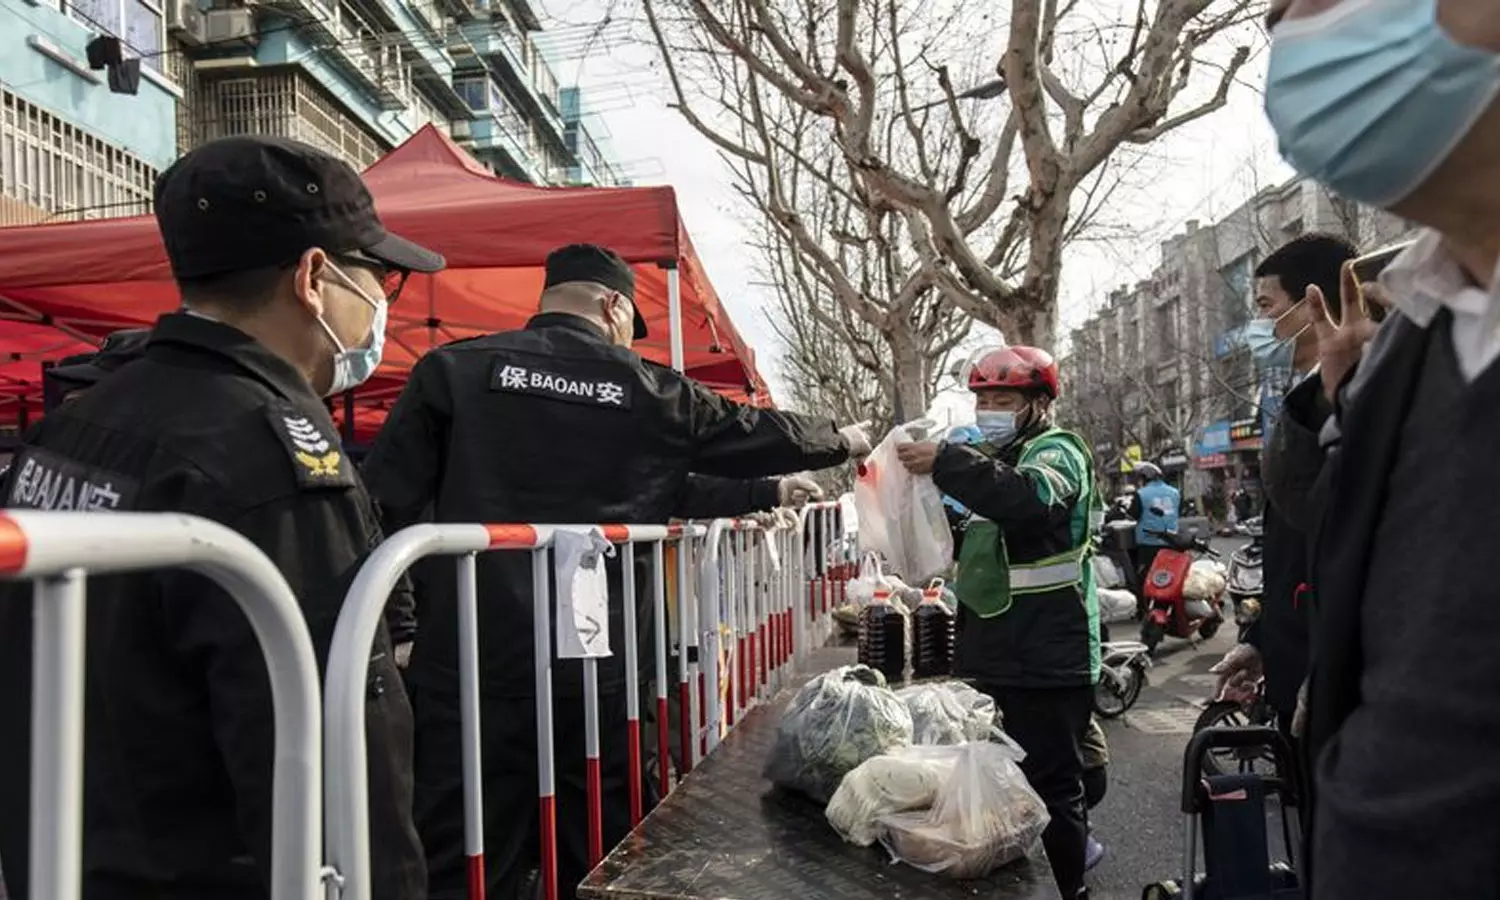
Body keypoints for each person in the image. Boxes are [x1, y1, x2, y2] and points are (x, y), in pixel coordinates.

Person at [0, 135, 442, 900]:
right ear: (314, 277)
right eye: (381, 279)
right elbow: (334, 745)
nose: (381, 305)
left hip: (59, 858)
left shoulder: (78, 419)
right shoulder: (273, 461)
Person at [360, 242, 869, 900]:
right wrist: (839, 440)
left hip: (472, 660)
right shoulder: (649, 389)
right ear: (613, 306)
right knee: (605, 847)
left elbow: (382, 503)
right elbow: (748, 432)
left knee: (468, 853)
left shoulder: (454, 370)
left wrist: (402, 625)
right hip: (601, 667)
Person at [1262, 1, 1500, 896]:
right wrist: (1336, 398)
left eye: (1316, 2)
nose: (1291, 37)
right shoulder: (1413, 334)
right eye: (1276, 20)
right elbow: (1335, 540)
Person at [895, 345, 1100, 900]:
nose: (989, 410)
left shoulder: (1057, 453)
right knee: (1000, 786)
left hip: (1050, 655)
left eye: (1003, 400)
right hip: (994, 651)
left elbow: (1029, 502)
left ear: (1038, 404)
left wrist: (945, 462)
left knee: (1053, 790)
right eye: (982, 400)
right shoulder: (988, 460)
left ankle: (1070, 890)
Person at [1210, 234, 1355, 760]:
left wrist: (1338, 669)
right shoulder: (1308, 397)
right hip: (1301, 672)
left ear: (1313, 302)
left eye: (1266, 306)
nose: (1259, 325)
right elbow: (1297, 549)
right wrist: (1262, 640)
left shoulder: (1368, 400)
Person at [1127, 462, 1178, 616]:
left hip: (1148, 542)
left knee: (1145, 577)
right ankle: (1168, 605)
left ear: (1144, 478)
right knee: (1169, 576)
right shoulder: (1175, 492)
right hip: (1171, 542)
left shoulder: (1141, 494)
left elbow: (1132, 515)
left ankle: (1144, 610)